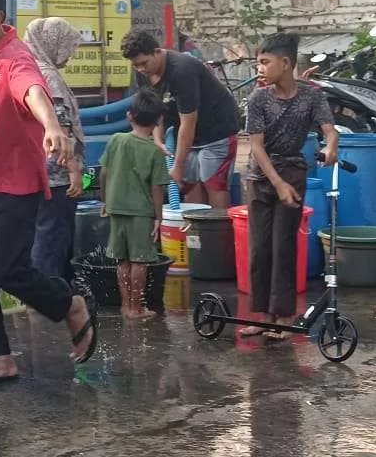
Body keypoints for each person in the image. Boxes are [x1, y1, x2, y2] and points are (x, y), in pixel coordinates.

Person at [0, 0, 96, 392]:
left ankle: (69, 305)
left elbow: (33, 91)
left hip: (13, 184)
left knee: (6, 266)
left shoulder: (16, 58)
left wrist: (52, 126)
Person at [241, 33, 338, 338]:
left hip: (293, 174)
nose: (260, 68)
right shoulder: (258, 98)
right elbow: (256, 147)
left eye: (265, 62)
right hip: (261, 177)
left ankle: (282, 319)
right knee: (259, 250)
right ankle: (262, 316)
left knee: (283, 247)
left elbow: (330, 130)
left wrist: (332, 146)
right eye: (258, 62)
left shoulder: (312, 97)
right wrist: (278, 184)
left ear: (285, 63)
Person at [122, 29, 239, 209]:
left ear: (156, 51)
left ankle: (218, 232)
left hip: (216, 130)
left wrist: (177, 165)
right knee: (188, 183)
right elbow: (156, 108)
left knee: (213, 183)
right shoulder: (143, 72)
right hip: (184, 133)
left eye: (144, 63)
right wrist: (158, 139)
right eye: (136, 65)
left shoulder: (181, 69)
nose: (141, 69)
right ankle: (195, 234)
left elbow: (188, 121)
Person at [22, 17, 86, 279]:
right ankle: (48, 293)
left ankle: (43, 288)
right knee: (53, 234)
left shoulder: (28, 70)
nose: (69, 54)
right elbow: (61, 128)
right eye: (67, 46)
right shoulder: (48, 76)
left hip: (34, 169)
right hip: (57, 173)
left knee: (39, 231)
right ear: (52, 44)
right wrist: (74, 171)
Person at [100, 89, 171, 319]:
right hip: (141, 212)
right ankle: (137, 307)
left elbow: (104, 173)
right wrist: (158, 217)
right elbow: (157, 188)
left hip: (116, 207)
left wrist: (105, 200)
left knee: (122, 259)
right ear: (159, 119)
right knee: (139, 260)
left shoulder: (116, 140)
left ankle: (125, 306)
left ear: (129, 116)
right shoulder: (155, 151)